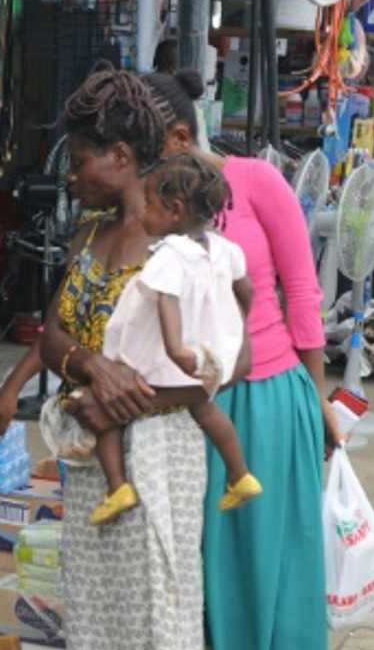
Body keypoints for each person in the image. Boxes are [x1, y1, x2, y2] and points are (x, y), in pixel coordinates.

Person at [39, 65, 218, 650]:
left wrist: (124, 391)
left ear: (120, 153)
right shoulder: (91, 235)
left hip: (156, 455)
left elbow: (224, 366)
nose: (71, 174)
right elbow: (48, 329)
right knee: (104, 641)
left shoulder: (184, 246)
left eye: (81, 159)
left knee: (161, 638)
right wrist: (86, 364)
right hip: (93, 461)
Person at [145, 68, 337, 650]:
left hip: (268, 394)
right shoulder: (155, 204)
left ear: (179, 137)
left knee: (279, 560)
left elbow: (303, 289)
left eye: (148, 151)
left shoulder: (259, 185)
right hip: (191, 403)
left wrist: (318, 403)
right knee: (211, 563)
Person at [87, 153, 259, 524]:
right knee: (206, 408)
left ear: (175, 210)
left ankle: (117, 487)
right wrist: (233, 327)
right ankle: (239, 473)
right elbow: (248, 290)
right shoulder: (225, 249)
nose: (143, 212)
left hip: (158, 361)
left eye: (149, 204)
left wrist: (177, 349)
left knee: (102, 413)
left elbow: (167, 300)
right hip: (207, 358)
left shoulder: (169, 254)